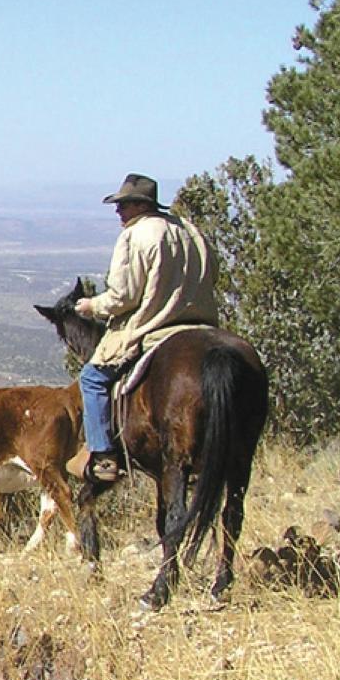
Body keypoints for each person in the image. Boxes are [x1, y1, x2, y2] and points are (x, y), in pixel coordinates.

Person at [73, 174, 219, 481]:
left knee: (92, 379)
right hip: (204, 325)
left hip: (154, 327)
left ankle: (103, 458)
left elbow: (122, 296)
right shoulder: (191, 231)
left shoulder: (136, 235)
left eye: (124, 205)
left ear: (141, 205)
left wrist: (92, 307)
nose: (119, 212)